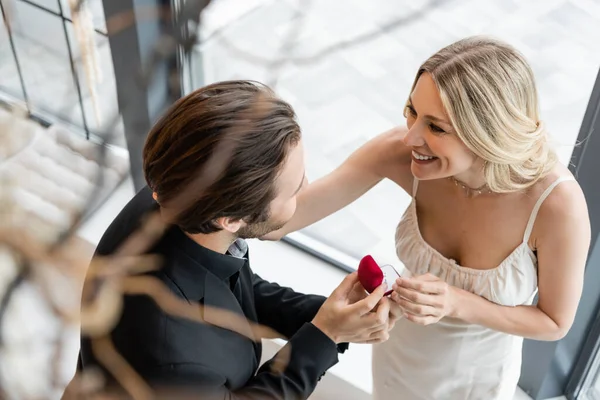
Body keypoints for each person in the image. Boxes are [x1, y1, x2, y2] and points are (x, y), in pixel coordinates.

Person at [263, 36, 591, 399]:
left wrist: (455, 302)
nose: (410, 137)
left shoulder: (556, 204)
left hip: (477, 382)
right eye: (412, 111)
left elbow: (554, 322)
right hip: (397, 358)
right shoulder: (398, 152)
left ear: (488, 135)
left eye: (436, 127)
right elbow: (280, 222)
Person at [76, 80, 400, 399]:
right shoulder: (171, 358)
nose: (306, 188)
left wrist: (330, 316)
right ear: (231, 219)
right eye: (294, 188)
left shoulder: (181, 193)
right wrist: (326, 334)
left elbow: (228, 288)